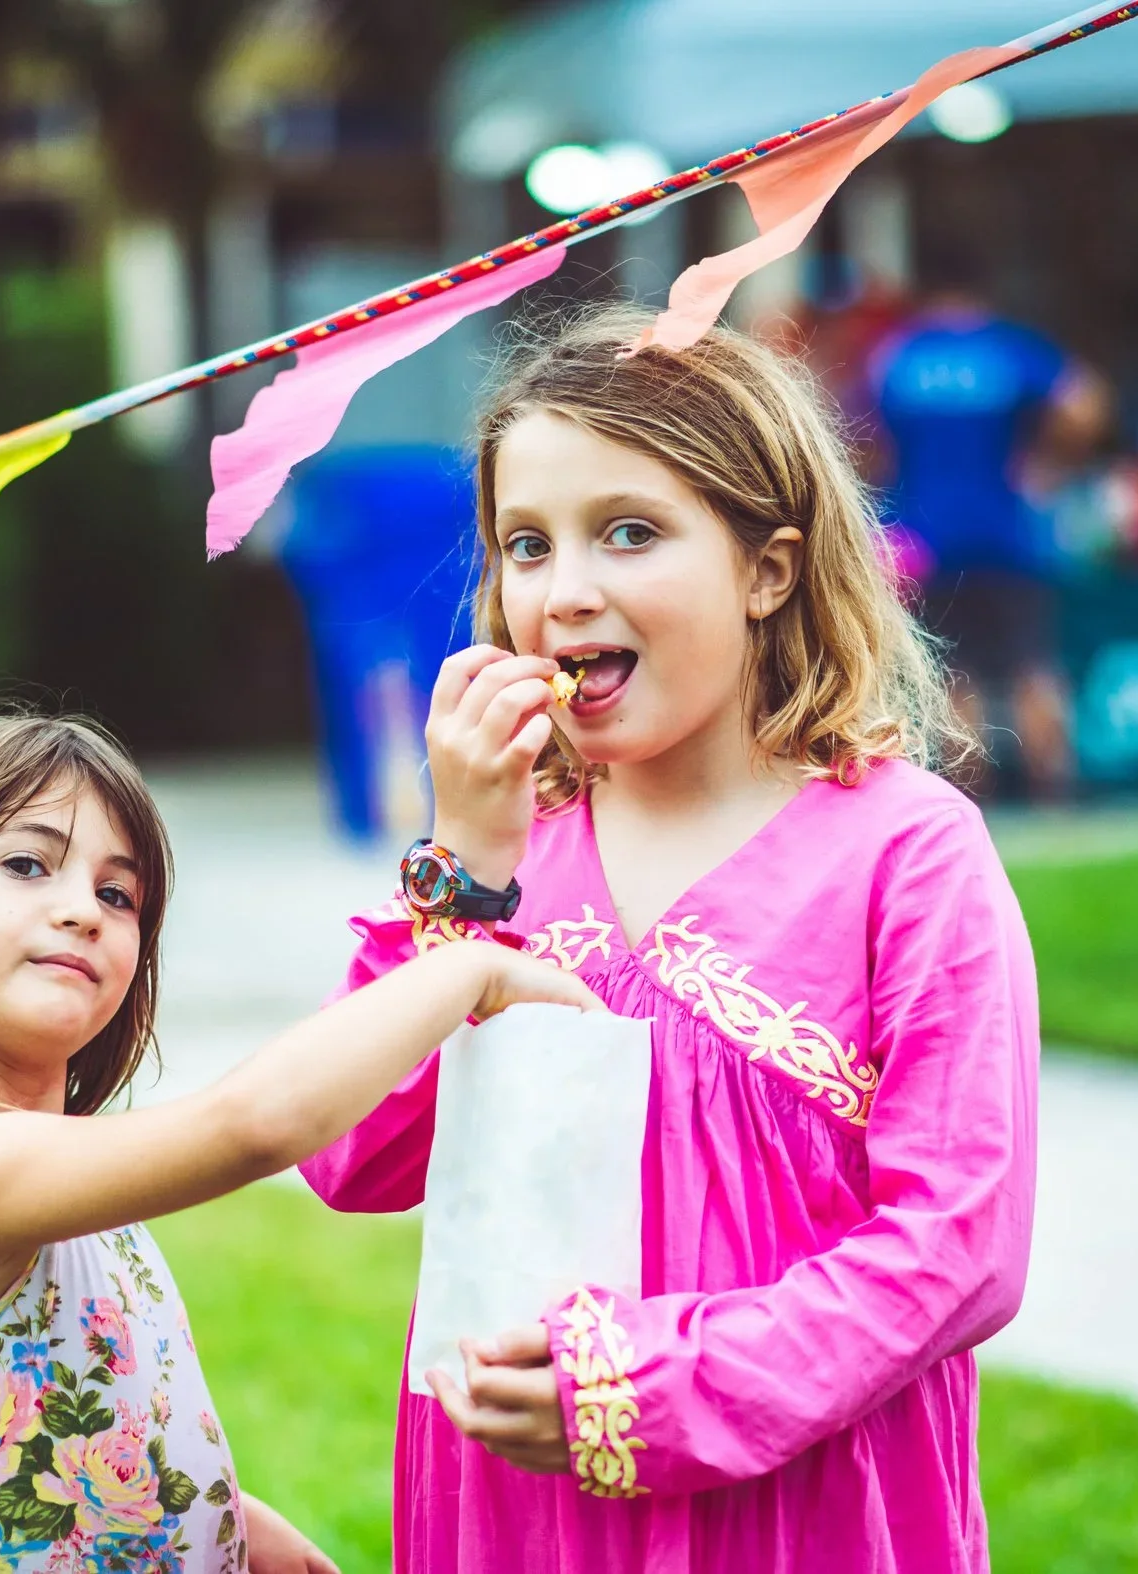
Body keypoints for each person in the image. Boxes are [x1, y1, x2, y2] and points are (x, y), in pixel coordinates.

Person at [300, 308, 1040, 1573]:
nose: (564, 589)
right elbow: (352, 1155)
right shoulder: (504, 854)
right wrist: (460, 873)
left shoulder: (904, 854)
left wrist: (651, 1389)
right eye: (523, 545)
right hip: (521, 1516)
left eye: (628, 531)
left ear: (769, 568)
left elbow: (956, 1244)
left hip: (797, 1510)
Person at [0, 708, 600, 1574]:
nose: (81, 910)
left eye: (118, 893)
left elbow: (74, 1439)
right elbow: (255, 1126)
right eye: (27, 865)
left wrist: (231, 1524)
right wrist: (463, 966)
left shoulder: (48, 1166)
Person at [869, 258, 1107, 795]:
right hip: (1008, 532)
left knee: (955, 673)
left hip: (928, 538)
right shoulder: (1007, 347)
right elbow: (1085, 401)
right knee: (1032, 663)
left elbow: (867, 442)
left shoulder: (899, 355)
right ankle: (1055, 796)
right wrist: (1052, 463)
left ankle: (973, 801)